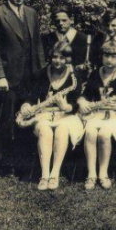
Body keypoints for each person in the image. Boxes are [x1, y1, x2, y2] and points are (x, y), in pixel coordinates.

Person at [0, 0, 46, 177]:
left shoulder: (31, 13)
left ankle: (23, 163)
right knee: (6, 122)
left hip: (30, 77)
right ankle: (4, 164)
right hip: (8, 79)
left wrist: (42, 73)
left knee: (27, 117)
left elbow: (37, 45)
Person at [20, 41, 84, 190]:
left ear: (68, 59)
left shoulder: (74, 76)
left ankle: (55, 173)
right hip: (45, 114)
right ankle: (44, 175)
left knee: (62, 129)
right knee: (44, 130)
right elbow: (31, 95)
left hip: (67, 115)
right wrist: (26, 105)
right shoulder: (42, 73)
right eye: (55, 57)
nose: (58, 61)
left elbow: (76, 103)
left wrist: (66, 106)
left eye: (62, 58)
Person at [77, 41, 116, 190]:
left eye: (113, 56)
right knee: (89, 132)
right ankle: (91, 174)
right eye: (106, 56)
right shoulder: (96, 73)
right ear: (101, 57)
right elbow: (86, 94)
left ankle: (103, 173)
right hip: (98, 113)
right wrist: (82, 102)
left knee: (104, 134)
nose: (109, 60)